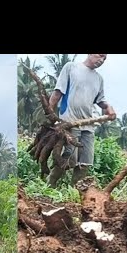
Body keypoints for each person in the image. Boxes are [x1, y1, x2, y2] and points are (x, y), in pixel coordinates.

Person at [46, 54, 116, 187]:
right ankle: (49, 186)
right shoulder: (71, 68)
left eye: (104, 59)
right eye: (100, 55)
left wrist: (108, 107)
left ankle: (74, 194)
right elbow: (57, 93)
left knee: (84, 164)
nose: (101, 60)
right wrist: (50, 116)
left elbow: (100, 100)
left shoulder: (98, 78)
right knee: (68, 159)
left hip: (88, 125)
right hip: (69, 122)